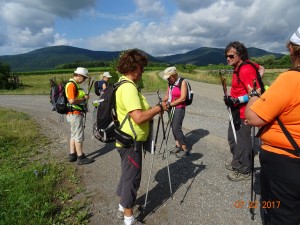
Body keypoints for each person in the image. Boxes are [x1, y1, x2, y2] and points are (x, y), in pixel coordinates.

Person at [245, 26, 300, 225]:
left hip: (285, 162)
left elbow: (253, 118)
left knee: (282, 216)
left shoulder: (290, 79)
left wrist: (253, 95)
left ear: (292, 49)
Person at [115, 49, 168, 225]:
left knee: (127, 175)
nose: (143, 71)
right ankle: (128, 219)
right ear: (134, 67)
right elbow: (138, 117)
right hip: (131, 142)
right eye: (142, 68)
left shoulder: (122, 84)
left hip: (126, 140)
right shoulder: (129, 88)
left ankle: (123, 206)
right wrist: (158, 108)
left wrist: (153, 109)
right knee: (132, 178)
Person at [223, 41, 263, 181]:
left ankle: (244, 169)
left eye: (231, 56)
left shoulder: (245, 69)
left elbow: (256, 92)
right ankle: (237, 162)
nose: (228, 58)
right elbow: (260, 68)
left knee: (242, 141)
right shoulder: (241, 66)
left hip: (244, 112)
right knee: (233, 138)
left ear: (240, 55)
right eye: (226, 56)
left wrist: (236, 100)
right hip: (235, 110)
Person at [65, 67, 94, 165]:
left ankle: (72, 154)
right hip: (75, 114)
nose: (84, 80)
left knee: (74, 134)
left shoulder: (73, 84)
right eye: (84, 78)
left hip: (72, 114)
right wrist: (83, 99)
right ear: (78, 75)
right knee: (78, 136)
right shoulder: (71, 85)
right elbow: (72, 100)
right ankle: (80, 157)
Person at [162, 66, 188, 158]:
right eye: (167, 78)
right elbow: (167, 95)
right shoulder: (170, 82)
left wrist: (170, 104)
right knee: (173, 127)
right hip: (170, 107)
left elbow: (183, 98)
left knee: (176, 128)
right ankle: (177, 145)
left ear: (174, 75)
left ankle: (184, 149)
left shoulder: (182, 82)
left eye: (169, 77)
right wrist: (162, 102)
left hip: (179, 107)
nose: (168, 79)